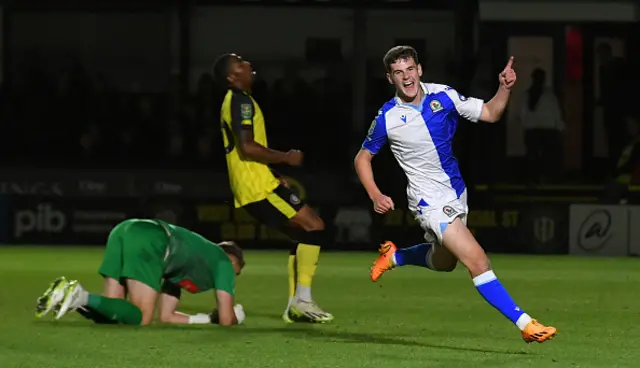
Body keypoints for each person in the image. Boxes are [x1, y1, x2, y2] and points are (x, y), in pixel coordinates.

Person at [354, 46, 557, 343]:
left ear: (419, 70)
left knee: (445, 262)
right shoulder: (388, 117)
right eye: (398, 72)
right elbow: (362, 158)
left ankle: (396, 256)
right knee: (477, 260)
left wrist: (504, 88)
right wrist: (374, 194)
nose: (406, 77)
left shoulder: (444, 95)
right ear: (390, 78)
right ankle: (526, 323)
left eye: (410, 69)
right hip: (428, 202)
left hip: (456, 193)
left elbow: (490, 113)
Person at [211, 53, 333, 323]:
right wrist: (286, 158)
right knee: (314, 225)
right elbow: (247, 146)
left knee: (301, 234)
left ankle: (295, 305)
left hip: (255, 183)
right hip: (258, 187)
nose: (248, 66)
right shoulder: (240, 101)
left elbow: (242, 151)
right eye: (240, 64)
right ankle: (302, 300)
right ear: (232, 77)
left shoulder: (238, 101)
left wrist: (274, 172)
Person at [35, 218, 246, 326]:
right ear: (232, 261)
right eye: (234, 274)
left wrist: (208, 319)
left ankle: (69, 296)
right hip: (153, 240)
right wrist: (235, 316)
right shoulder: (223, 261)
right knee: (142, 317)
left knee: (115, 314)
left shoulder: (193, 260)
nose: (230, 280)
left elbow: (166, 316)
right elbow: (227, 319)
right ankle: (79, 295)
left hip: (124, 229)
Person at [519, 68, 564, 183]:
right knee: (543, 156)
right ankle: (542, 178)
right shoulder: (548, 96)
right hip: (545, 129)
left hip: (537, 129)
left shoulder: (531, 95)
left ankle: (536, 178)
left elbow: (523, 114)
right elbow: (556, 112)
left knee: (536, 156)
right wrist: (559, 127)